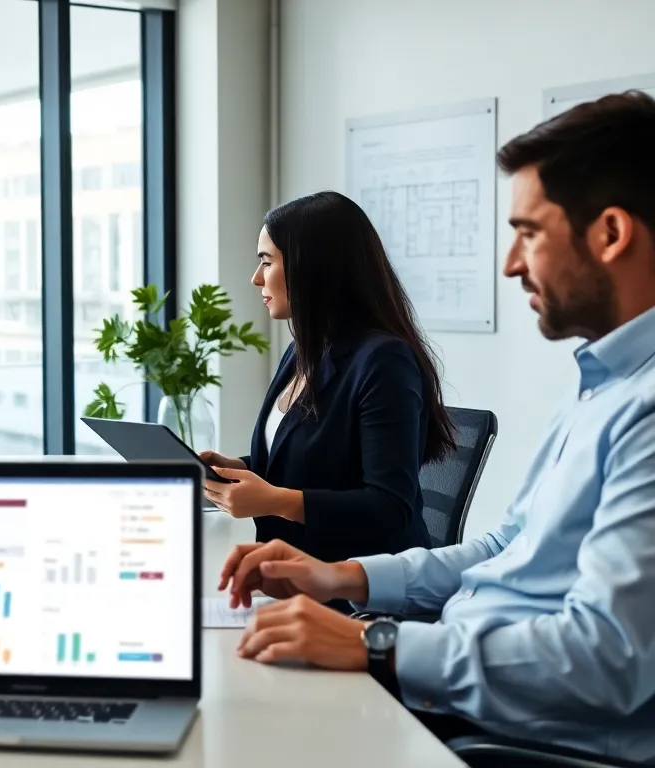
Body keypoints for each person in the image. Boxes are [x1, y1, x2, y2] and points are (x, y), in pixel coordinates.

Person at [217, 90, 655, 761]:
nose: (510, 263)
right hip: (457, 682)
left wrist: (376, 643)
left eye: (529, 233)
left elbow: (608, 660)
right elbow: (505, 545)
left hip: (510, 738)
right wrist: (344, 579)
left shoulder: (643, 412)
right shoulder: (601, 387)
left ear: (611, 234)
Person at [199, 191, 455, 564]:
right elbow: (318, 462)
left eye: (267, 262)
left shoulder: (384, 361)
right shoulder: (303, 350)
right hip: (290, 568)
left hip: (362, 581)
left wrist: (274, 500)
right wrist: (238, 468)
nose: (256, 279)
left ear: (311, 267)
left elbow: (389, 508)